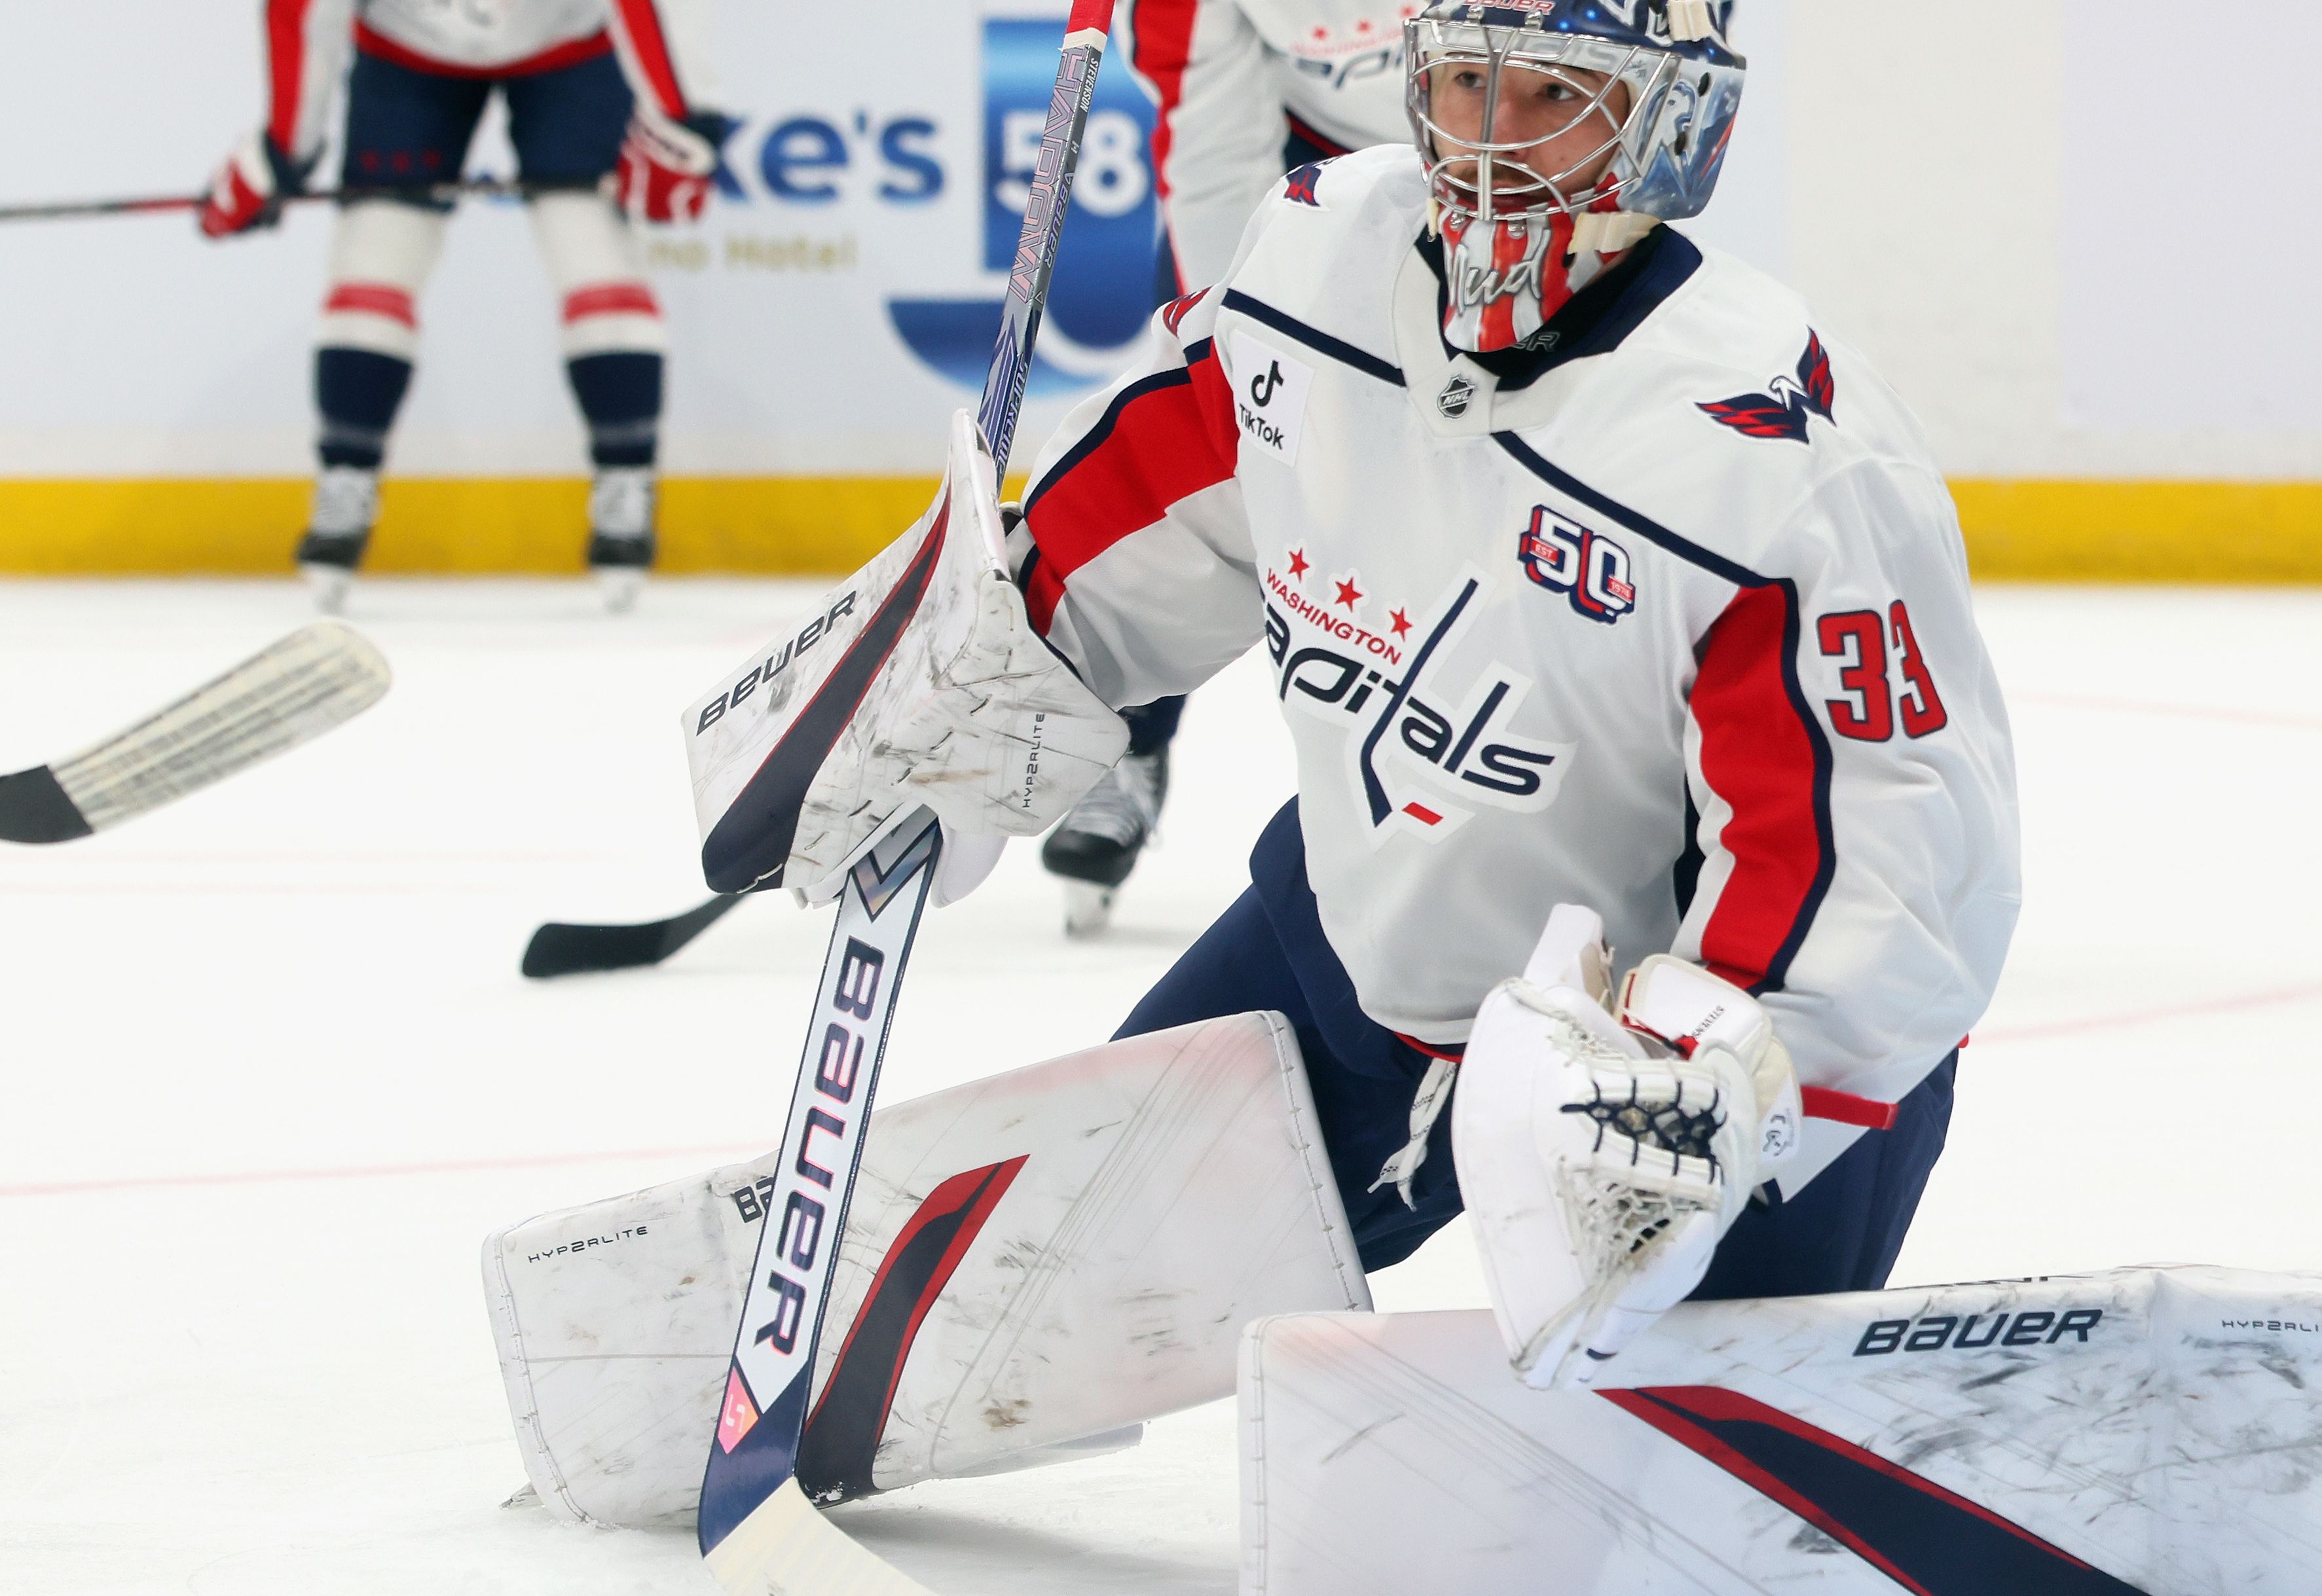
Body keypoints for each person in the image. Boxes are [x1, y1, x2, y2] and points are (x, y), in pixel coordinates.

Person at [733, 0, 2019, 1364]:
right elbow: (1152, 509)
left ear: (1669, 126)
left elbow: (1873, 848)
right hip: (1358, 962)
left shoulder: (1774, 458)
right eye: (1464, 82)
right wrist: (965, 691)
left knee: (1677, 1495)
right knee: (1027, 1292)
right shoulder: (1318, 269)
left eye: (1551, 96)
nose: (1485, 143)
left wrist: (1710, 1081)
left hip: (1678, 1060)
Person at [1041, 0, 1445, 934]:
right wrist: (1246, 356)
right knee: (1188, 454)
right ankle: (1126, 744)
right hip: (1306, 170)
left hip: (1537, 150)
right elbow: (1215, 153)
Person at [200, 0, 729, 613]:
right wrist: (282, 149)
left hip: (570, 42)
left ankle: (625, 481)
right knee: (374, 262)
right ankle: (345, 477)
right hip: (409, 52)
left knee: (596, 257)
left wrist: (683, 124)